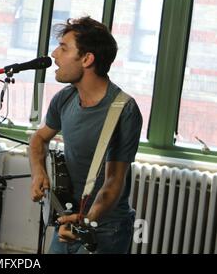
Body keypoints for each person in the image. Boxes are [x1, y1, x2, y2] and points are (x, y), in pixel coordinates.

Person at [29, 16, 143, 254]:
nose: (54, 55)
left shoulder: (123, 109)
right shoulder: (65, 98)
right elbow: (39, 139)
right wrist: (38, 173)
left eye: (63, 48)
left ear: (87, 59)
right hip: (70, 218)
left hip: (106, 227)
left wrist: (85, 222)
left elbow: (113, 182)